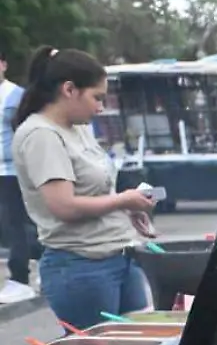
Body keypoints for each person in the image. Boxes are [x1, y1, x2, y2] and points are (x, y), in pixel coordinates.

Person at [11, 47, 156, 329]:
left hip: (120, 256)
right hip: (82, 266)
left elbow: (95, 193)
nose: (100, 108)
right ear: (69, 89)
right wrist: (122, 200)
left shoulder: (77, 128)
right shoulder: (41, 135)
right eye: (96, 98)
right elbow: (63, 206)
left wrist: (128, 208)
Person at [1, 49, 42, 304]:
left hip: (11, 171)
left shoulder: (16, 96)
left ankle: (20, 279)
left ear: (3, 64)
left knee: (17, 225)